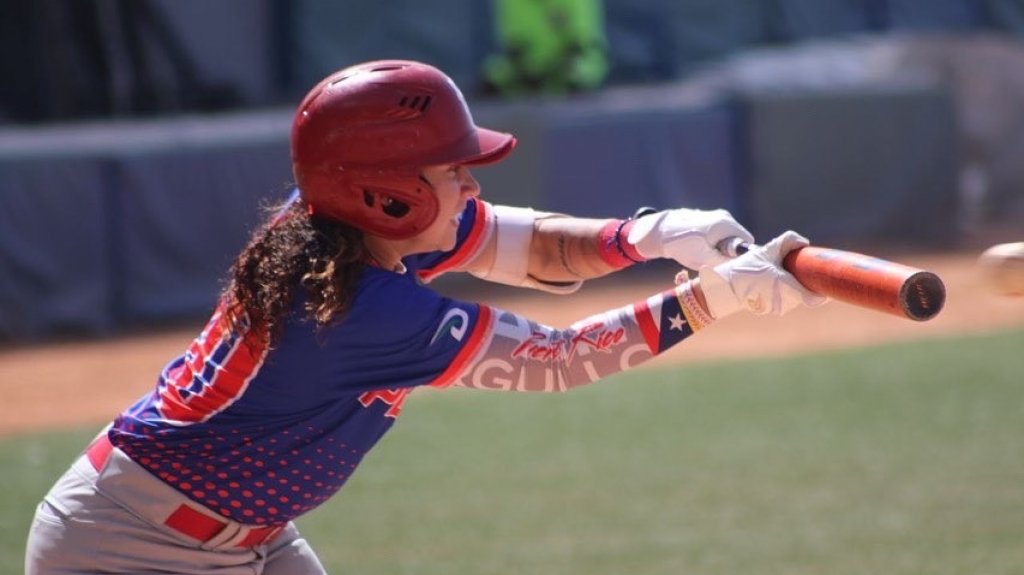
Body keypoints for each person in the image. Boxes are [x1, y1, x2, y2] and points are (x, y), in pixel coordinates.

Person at [25, 59, 826, 574]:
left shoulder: (349, 235)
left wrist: (647, 235)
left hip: (239, 536)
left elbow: (537, 247)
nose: (471, 185)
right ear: (388, 193)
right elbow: (558, 358)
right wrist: (713, 297)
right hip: (127, 550)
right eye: (452, 169)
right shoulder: (365, 306)